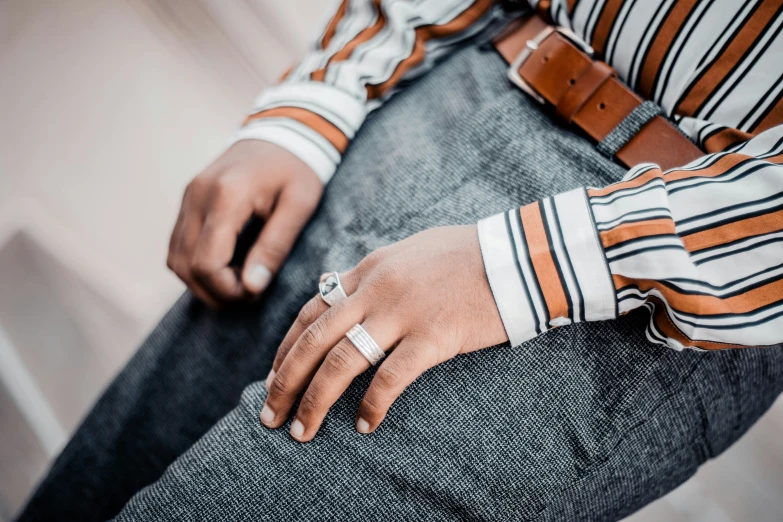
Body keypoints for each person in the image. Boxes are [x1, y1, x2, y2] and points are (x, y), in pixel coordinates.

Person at [18, 0, 783, 520]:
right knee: (97, 481)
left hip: (654, 295)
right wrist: (311, 107)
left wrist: (512, 267)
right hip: (456, 91)